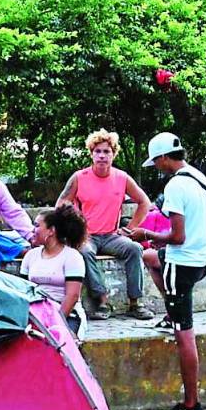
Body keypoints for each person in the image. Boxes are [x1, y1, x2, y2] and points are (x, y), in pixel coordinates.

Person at [126, 132, 206, 410]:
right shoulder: (198, 177)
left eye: (157, 162)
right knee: (151, 258)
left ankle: (191, 406)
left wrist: (146, 235)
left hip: (183, 263)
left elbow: (177, 237)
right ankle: (170, 312)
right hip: (203, 258)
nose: (157, 168)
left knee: (184, 335)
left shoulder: (176, 186)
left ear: (164, 158)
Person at [57, 129, 152, 320]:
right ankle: (101, 301)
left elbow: (145, 202)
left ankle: (135, 302)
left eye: (106, 151)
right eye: (98, 151)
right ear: (91, 154)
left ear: (113, 154)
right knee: (83, 252)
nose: (102, 156)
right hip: (86, 235)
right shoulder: (79, 177)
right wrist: (72, 228)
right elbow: (61, 204)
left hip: (111, 235)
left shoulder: (122, 177)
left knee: (134, 248)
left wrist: (130, 229)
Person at [20, 205, 88, 337]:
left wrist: (56, 322)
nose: (33, 230)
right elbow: (22, 290)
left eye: (37, 225)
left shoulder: (72, 257)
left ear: (51, 231)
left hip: (67, 314)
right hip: (36, 313)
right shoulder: (30, 256)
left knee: (61, 340)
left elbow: (72, 296)